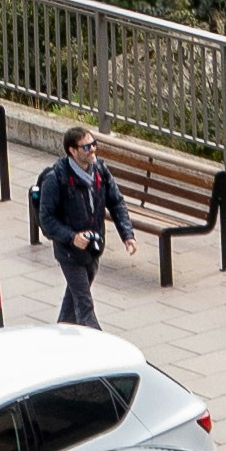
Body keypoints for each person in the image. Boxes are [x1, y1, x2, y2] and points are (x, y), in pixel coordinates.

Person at [30, 123, 134, 332]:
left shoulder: (100, 171)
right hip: (69, 253)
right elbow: (47, 218)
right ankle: (101, 347)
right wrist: (71, 237)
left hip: (93, 248)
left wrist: (127, 234)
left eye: (93, 144)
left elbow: (116, 202)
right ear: (73, 151)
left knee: (74, 300)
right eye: (86, 147)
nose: (93, 150)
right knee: (84, 305)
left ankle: (60, 334)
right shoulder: (56, 179)